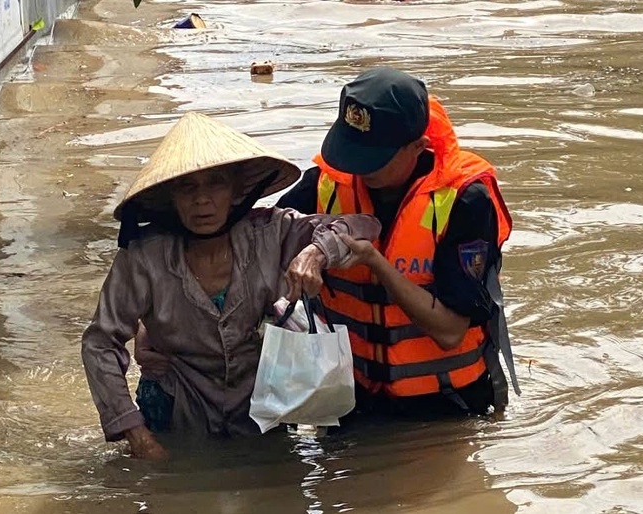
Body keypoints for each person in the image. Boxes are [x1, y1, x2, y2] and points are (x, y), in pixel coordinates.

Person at [81, 112, 381, 460]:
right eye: (187, 187)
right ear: (171, 198)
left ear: (237, 189)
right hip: (175, 407)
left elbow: (362, 226)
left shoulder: (274, 231)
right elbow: (101, 342)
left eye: (215, 184)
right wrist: (137, 435)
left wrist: (315, 253)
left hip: (260, 406)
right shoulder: (143, 257)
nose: (202, 200)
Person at [276, 66, 520, 418]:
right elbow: (260, 237)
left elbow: (451, 332)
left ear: (417, 147)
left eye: (374, 158)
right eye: (353, 151)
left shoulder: (466, 201)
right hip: (353, 396)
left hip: (447, 404)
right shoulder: (326, 184)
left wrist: (376, 264)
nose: (359, 168)